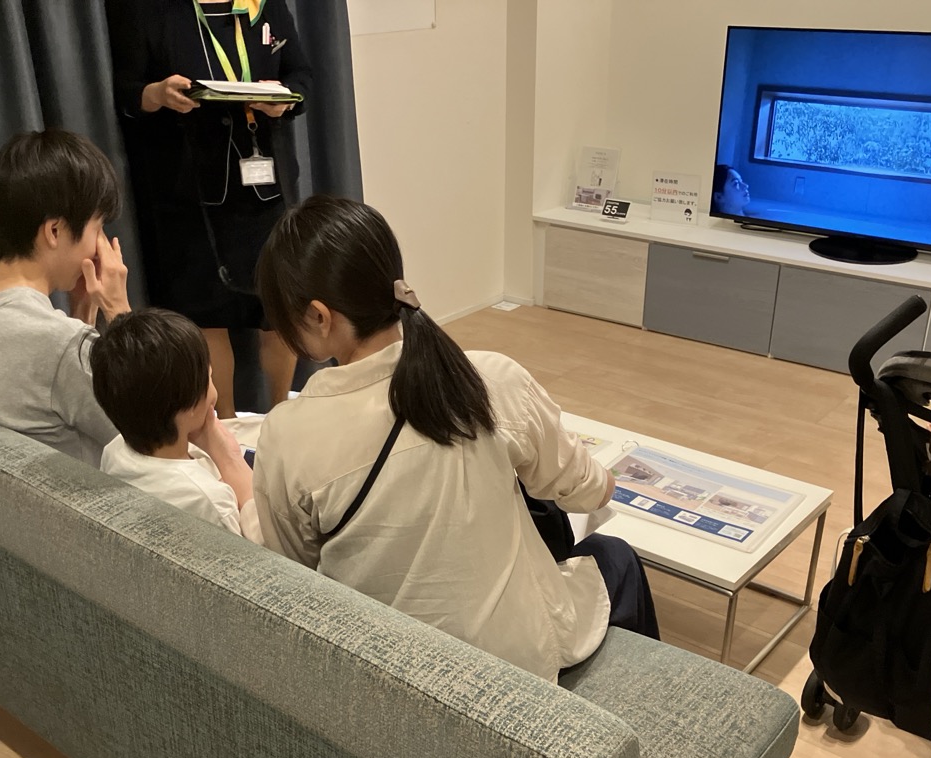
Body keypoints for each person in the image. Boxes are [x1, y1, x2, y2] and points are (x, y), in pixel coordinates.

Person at [252, 195, 659, 683]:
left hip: (384, 676)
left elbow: (295, 571)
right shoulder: (491, 379)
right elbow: (587, 492)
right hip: (517, 668)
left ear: (319, 316)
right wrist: (601, 480)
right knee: (613, 554)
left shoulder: (286, 435)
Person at [106, 0, 313, 417]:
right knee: (207, 313)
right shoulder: (146, 10)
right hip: (190, 189)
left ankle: (282, 414)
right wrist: (157, 94)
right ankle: (227, 424)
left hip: (266, 183)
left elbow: (301, 74)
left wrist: (286, 99)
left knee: (279, 309)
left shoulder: (266, 4)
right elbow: (127, 91)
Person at [0, 129, 130, 467]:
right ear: (54, 231)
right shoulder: (61, 344)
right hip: (91, 493)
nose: (101, 244)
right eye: (98, 228)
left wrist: (83, 309)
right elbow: (153, 433)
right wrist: (119, 311)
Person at [90, 308, 261, 542]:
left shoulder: (115, 450)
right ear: (189, 408)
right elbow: (258, 549)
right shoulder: (209, 500)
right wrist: (228, 458)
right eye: (210, 378)